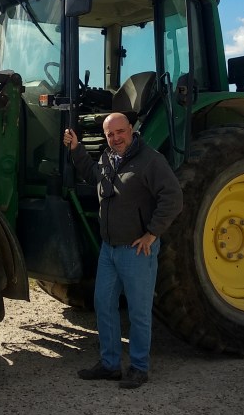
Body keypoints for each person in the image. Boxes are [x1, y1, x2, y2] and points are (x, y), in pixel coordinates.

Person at [63, 112, 183, 389]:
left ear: (131, 129)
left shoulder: (150, 160)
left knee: (139, 312)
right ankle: (110, 365)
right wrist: (76, 149)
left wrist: (151, 233)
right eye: (110, 134)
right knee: (104, 305)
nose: (116, 138)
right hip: (109, 249)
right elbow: (95, 176)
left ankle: (139, 368)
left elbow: (173, 197)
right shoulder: (108, 158)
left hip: (136, 250)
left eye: (120, 132)